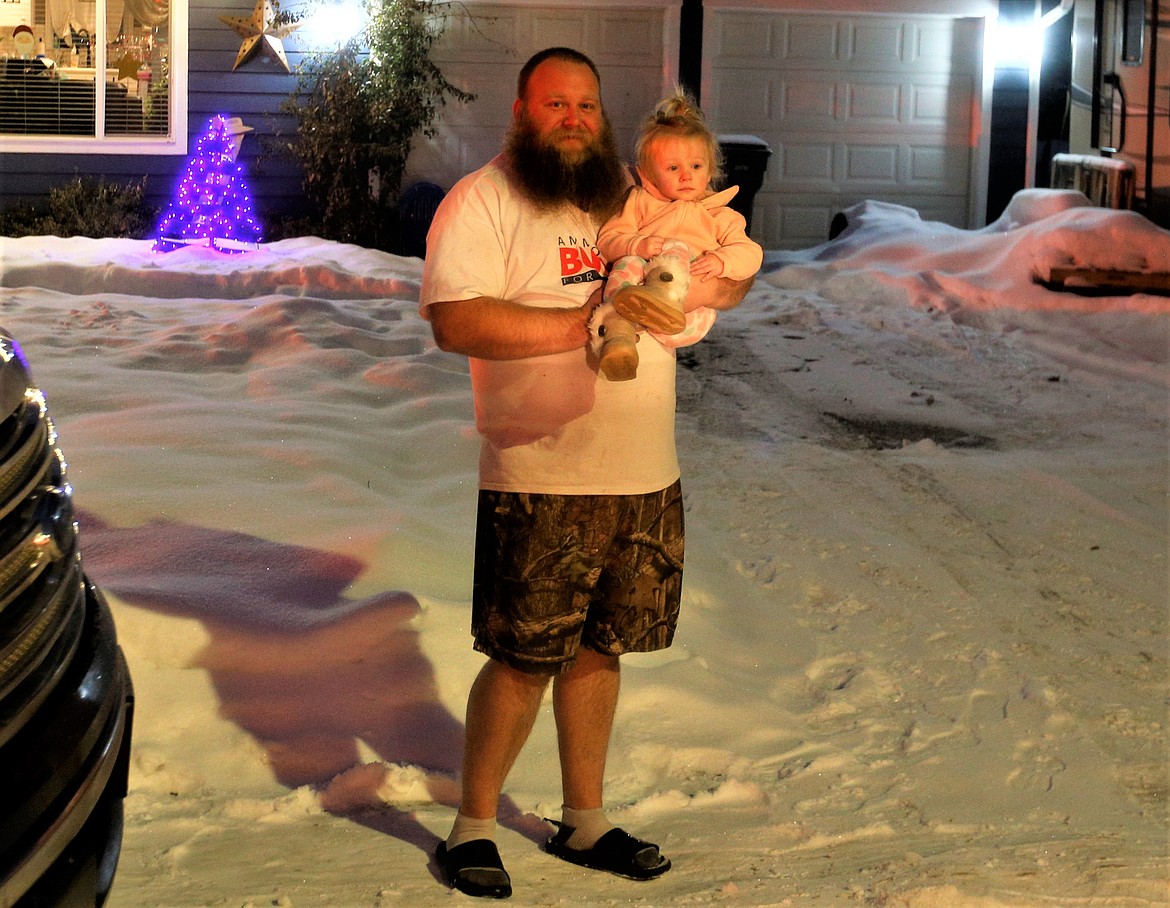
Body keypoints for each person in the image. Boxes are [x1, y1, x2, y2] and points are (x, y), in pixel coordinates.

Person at [419, 47, 753, 900]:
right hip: (541, 473)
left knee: (604, 648)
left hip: (644, 473)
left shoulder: (629, 198)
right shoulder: (484, 201)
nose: (573, 119)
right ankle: (474, 827)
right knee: (524, 657)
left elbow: (723, 272)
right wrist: (589, 324)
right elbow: (456, 321)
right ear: (523, 111)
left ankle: (584, 817)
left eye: (587, 107)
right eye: (555, 104)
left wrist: (712, 287)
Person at [590, 89, 764, 381]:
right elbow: (608, 240)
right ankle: (619, 343)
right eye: (673, 168)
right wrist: (638, 244)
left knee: (676, 251)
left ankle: (659, 299)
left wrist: (722, 261)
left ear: (709, 173)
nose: (687, 176)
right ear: (647, 176)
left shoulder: (718, 215)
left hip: (687, 317)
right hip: (632, 307)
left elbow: (751, 254)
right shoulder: (640, 201)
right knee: (628, 262)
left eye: (696, 166)